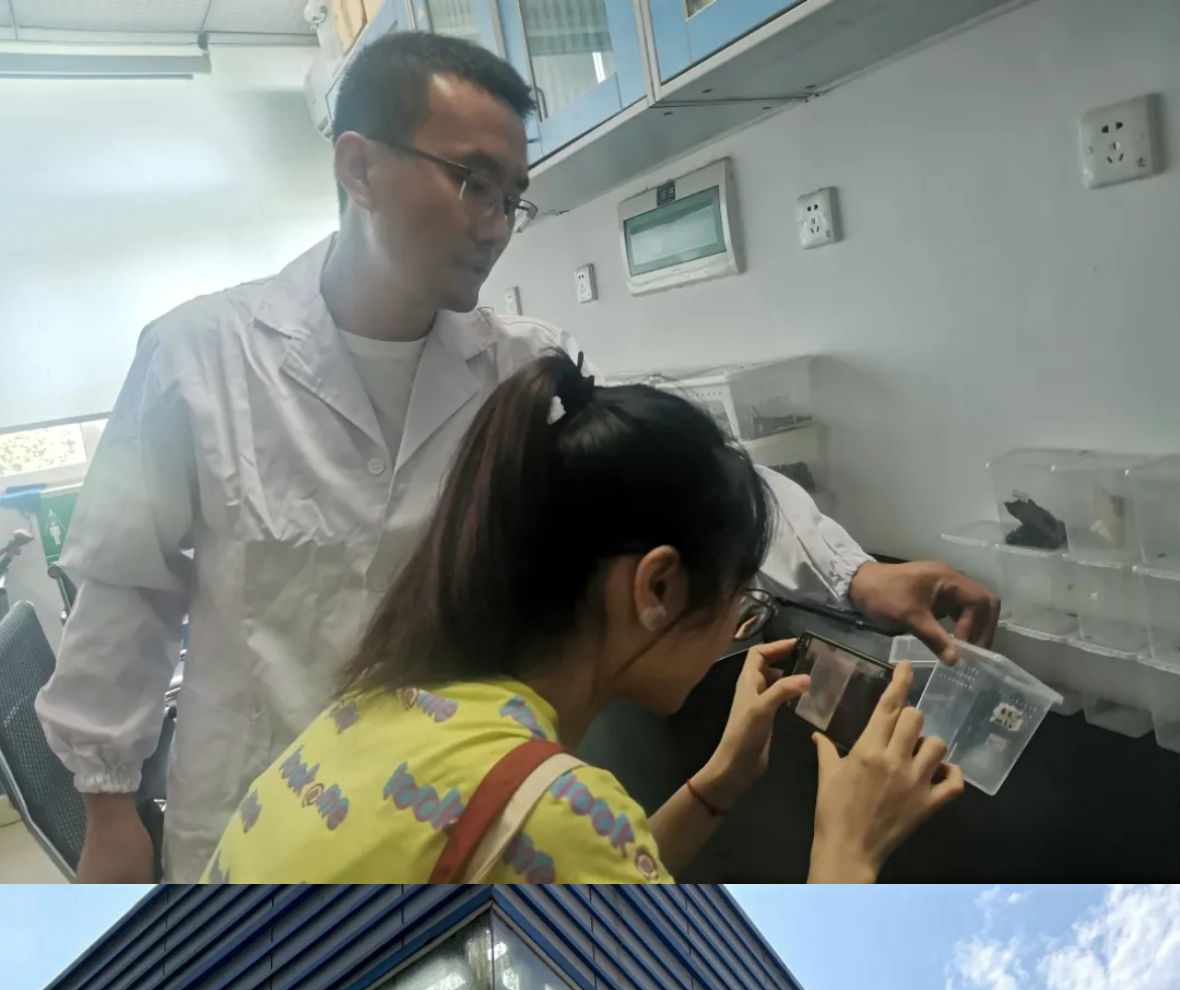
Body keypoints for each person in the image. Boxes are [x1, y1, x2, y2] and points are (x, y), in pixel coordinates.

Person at [35, 28, 999, 884]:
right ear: (359, 168)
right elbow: (125, 595)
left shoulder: (521, 365)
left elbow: (679, 482)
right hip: (257, 814)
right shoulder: (197, 358)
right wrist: (110, 815)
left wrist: (857, 574)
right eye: (472, 182)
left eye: (513, 197)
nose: (495, 223)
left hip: (455, 800)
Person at [205, 359, 964, 888]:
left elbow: (576, 868)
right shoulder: (557, 807)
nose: (736, 624)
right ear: (657, 586)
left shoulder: (378, 703)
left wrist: (719, 781)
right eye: (737, 598)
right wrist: (847, 846)